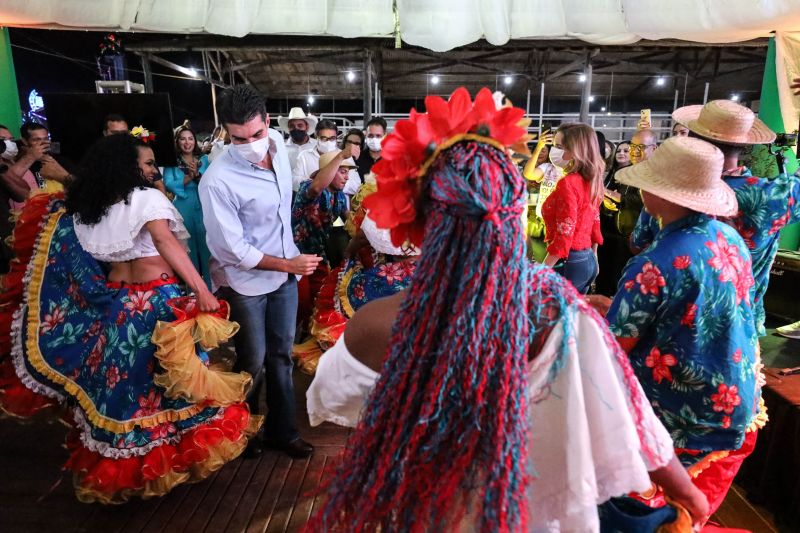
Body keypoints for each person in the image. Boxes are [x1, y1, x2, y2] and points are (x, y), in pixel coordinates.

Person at [304, 87, 708, 532]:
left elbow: (330, 399)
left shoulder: (372, 325)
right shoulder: (563, 315)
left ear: (415, 222)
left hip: (423, 514)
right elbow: (630, 415)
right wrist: (685, 490)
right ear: (515, 212)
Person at [0, 133, 258, 503]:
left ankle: (133, 470)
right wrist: (201, 289)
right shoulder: (147, 199)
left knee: (130, 389)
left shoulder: (95, 207)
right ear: (129, 168)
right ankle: (168, 464)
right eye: (149, 163)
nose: (155, 170)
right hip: (157, 305)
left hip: (120, 308)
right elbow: (165, 242)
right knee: (175, 385)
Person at [605, 136, 764, 522]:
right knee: (693, 511)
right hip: (733, 399)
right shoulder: (728, 237)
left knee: (656, 514)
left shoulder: (655, 262)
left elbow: (613, 350)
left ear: (661, 195)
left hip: (681, 416)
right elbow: (691, 312)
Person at [198, 85, 319, 459]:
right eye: (238, 138)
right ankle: (241, 431)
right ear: (226, 134)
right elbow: (231, 250)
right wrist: (289, 264)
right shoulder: (217, 180)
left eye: (256, 134)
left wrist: (289, 264)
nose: (250, 143)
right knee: (252, 359)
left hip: (284, 276)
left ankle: (282, 432)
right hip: (246, 283)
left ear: (268, 122)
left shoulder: (280, 147)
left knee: (281, 356)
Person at [632, 99, 798, 337]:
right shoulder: (773, 195)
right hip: (740, 323)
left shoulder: (668, 189)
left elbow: (638, 244)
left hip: (674, 319)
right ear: (745, 144)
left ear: (695, 138)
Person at [540, 123, 604, 294]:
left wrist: (542, 271)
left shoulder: (568, 183)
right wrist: (594, 257)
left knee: (556, 317)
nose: (554, 150)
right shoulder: (592, 180)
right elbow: (595, 222)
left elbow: (565, 233)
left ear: (576, 151)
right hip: (587, 259)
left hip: (569, 260)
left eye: (559, 146)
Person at [292, 149, 353, 331]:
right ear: (330, 170)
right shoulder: (308, 187)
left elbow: (346, 222)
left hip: (319, 257)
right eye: (342, 171)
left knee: (319, 303)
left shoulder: (339, 196)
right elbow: (317, 188)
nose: (347, 177)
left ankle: (307, 342)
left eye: (347, 172)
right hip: (296, 257)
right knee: (300, 306)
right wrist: (341, 155)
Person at [163, 124, 212, 288]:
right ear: (177, 142)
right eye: (182, 139)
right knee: (187, 249)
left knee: (208, 246)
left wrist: (196, 175)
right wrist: (190, 177)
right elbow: (169, 183)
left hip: (204, 204)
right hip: (183, 206)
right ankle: (193, 289)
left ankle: (212, 288)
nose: (187, 142)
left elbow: (210, 181)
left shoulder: (204, 159)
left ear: (195, 141)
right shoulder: (172, 162)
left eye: (190, 138)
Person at [292, 118, 339, 191]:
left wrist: (334, 183)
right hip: (311, 201)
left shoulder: (344, 156)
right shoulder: (304, 156)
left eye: (332, 138)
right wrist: (315, 183)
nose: (328, 142)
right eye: (324, 138)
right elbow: (294, 181)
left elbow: (355, 184)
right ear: (316, 136)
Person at [277, 107, 318, 173]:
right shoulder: (282, 149)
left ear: (307, 127)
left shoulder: (317, 146)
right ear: (288, 128)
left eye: (300, 125)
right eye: (292, 126)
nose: (296, 128)